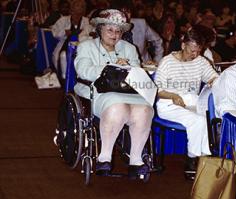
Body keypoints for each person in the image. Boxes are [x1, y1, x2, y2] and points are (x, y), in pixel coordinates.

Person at [74, 9, 154, 178]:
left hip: (128, 92)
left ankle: (136, 160)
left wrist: (128, 68)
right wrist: (110, 68)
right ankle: (104, 157)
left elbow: (138, 74)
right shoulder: (86, 46)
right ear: (100, 29)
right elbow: (83, 71)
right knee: (118, 107)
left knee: (145, 109)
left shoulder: (129, 48)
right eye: (110, 30)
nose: (115, 34)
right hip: (97, 91)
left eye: (118, 31)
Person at [154, 29, 219, 175]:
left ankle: (204, 159)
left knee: (209, 118)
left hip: (192, 101)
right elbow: (157, 90)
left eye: (198, 51)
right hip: (168, 104)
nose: (195, 55)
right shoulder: (167, 62)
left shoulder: (200, 61)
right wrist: (173, 96)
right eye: (192, 50)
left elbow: (214, 78)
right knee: (198, 121)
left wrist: (213, 82)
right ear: (183, 45)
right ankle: (193, 160)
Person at [51, 0, 92, 79]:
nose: (80, 8)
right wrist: (64, 32)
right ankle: (65, 77)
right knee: (60, 56)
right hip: (64, 42)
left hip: (81, 44)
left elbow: (89, 32)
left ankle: (78, 77)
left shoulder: (86, 21)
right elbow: (54, 33)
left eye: (82, 7)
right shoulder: (63, 20)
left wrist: (83, 34)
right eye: (78, 6)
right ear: (72, 9)